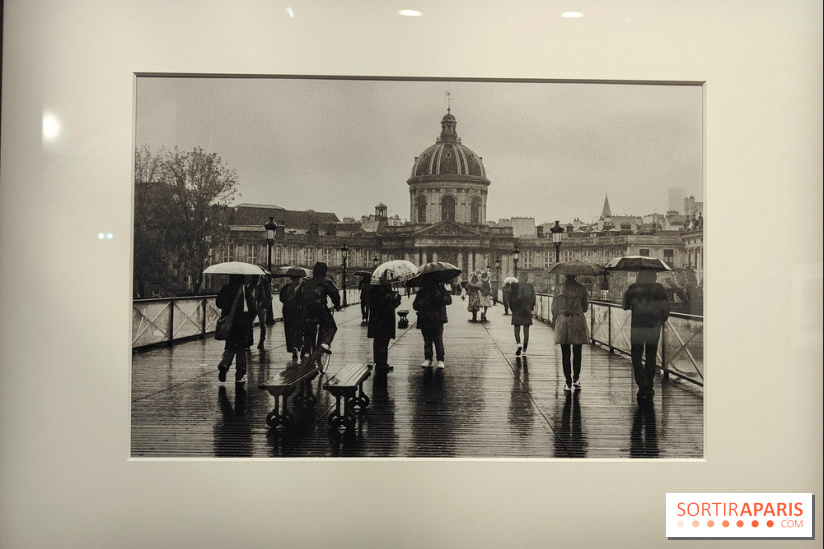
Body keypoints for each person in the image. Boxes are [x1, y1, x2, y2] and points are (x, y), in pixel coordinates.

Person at [622, 270, 670, 399]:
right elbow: (666, 308)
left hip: (638, 327)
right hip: (654, 326)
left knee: (636, 355)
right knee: (651, 354)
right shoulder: (659, 288)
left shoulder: (634, 288)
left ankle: (642, 382)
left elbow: (625, 306)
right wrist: (660, 320)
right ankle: (649, 383)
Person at [294, 261, 341, 360]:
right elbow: (335, 294)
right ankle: (324, 344)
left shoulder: (306, 281)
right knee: (332, 328)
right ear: (325, 271)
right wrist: (337, 305)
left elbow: (296, 294)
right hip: (321, 311)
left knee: (306, 328)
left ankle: (305, 347)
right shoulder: (327, 282)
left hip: (306, 311)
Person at [216, 274, 257, 384]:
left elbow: (218, 303)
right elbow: (253, 307)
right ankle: (239, 374)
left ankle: (225, 364)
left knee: (229, 345)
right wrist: (249, 319)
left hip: (229, 323)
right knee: (241, 348)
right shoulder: (245, 290)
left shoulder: (225, 288)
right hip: (242, 323)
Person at [551, 274, 589, 392]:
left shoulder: (558, 288)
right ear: (576, 276)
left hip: (564, 321)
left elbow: (554, 308)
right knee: (577, 352)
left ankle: (567, 382)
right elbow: (585, 308)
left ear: (565, 276)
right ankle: (576, 379)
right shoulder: (582, 289)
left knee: (565, 352)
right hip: (577, 320)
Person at [413, 277, 452, 370]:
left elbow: (449, 301)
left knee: (438, 340)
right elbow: (415, 305)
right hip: (425, 318)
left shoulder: (441, 289)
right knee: (427, 340)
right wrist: (423, 302)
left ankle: (440, 360)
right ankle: (428, 359)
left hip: (437, 318)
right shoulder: (422, 292)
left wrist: (438, 295)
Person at [367, 279, 402, 373]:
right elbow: (389, 303)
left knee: (379, 340)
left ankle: (380, 362)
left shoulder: (373, 288)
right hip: (385, 318)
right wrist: (394, 297)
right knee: (383, 340)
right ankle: (381, 363)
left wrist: (396, 298)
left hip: (376, 318)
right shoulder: (383, 289)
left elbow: (371, 302)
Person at [510, 272, 536, 356]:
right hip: (526, 309)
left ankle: (518, 344)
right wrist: (531, 308)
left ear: (519, 278)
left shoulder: (514, 286)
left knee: (517, 328)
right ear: (527, 278)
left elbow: (510, 298)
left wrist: (512, 308)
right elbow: (533, 298)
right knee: (526, 330)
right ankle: (524, 350)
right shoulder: (530, 286)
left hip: (517, 309)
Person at [278, 275, 303, 361]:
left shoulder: (286, 287)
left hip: (287, 311)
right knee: (297, 328)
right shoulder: (302, 287)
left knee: (289, 329)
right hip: (298, 310)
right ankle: (296, 346)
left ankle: (292, 347)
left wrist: (288, 302)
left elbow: (281, 298)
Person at [253, 274, 272, 349]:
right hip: (254, 305)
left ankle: (261, 341)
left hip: (262, 306)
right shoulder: (253, 283)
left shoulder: (264, 284)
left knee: (262, 324)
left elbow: (268, 296)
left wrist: (266, 306)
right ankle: (250, 340)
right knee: (251, 324)